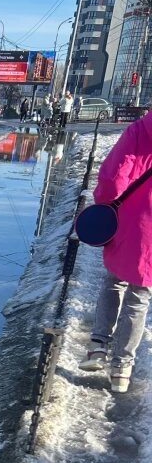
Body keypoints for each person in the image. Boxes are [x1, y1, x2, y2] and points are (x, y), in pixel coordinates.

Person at [79, 110, 152, 392]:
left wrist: (104, 202)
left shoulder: (140, 130)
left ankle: (98, 347)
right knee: (140, 296)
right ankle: (122, 369)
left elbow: (114, 175)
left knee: (113, 280)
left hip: (132, 219)